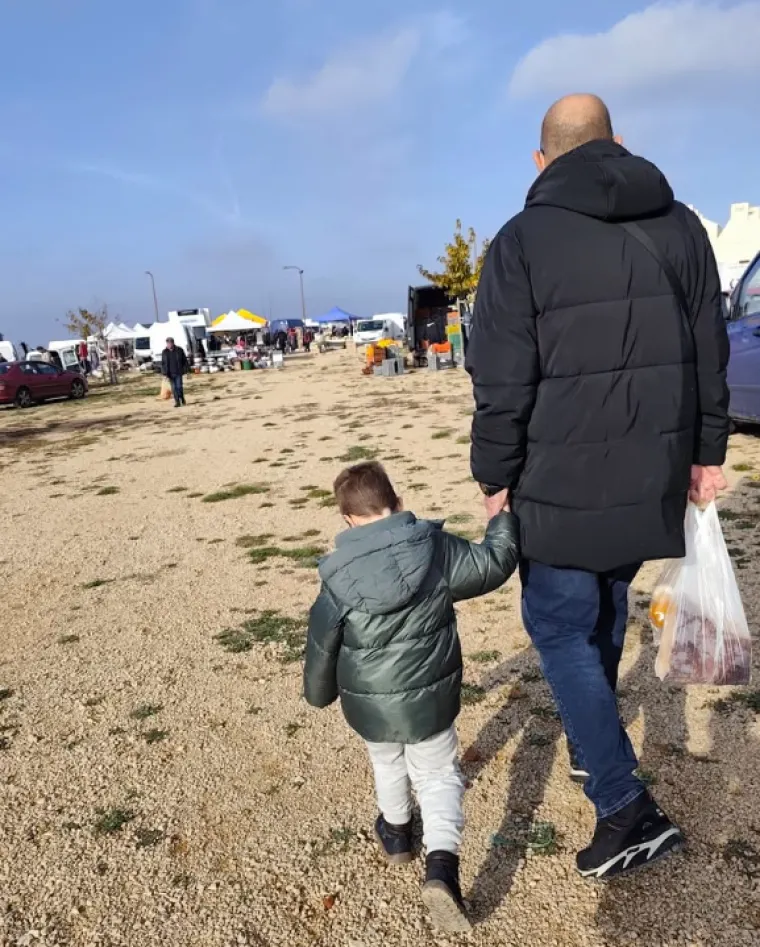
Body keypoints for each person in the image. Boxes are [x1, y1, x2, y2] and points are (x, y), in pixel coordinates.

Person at [466, 94, 730, 881]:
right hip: (650, 470)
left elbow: (500, 376)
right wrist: (705, 451)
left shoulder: (519, 242)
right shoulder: (681, 224)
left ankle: (625, 805)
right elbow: (709, 347)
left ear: (541, 161)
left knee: (557, 626)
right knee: (606, 606)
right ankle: (592, 744)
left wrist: (493, 473)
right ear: (617, 144)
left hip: (557, 474)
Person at [303, 461, 519, 932]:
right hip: (429, 700)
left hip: (370, 704)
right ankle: (441, 865)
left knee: (386, 762)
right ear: (397, 502)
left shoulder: (338, 575)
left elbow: (323, 639)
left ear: (346, 520)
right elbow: (493, 565)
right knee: (439, 775)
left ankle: (398, 834)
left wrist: (318, 694)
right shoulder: (435, 549)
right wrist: (502, 517)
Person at [161, 337, 189, 407]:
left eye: (170, 343)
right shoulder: (164, 352)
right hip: (170, 374)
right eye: (168, 343)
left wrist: (187, 370)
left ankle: (182, 399)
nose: (169, 345)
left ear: (173, 343)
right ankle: (177, 402)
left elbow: (184, 361)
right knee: (174, 389)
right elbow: (163, 363)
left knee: (179, 387)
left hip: (178, 372)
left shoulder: (179, 350)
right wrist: (164, 373)